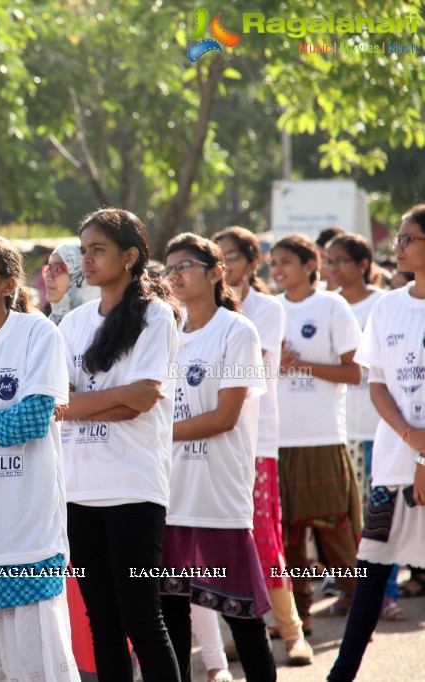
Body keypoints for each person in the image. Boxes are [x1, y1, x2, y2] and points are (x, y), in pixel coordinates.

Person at [58, 208, 181, 681]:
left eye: (99, 249)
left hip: (134, 490)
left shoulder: (156, 315)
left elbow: (142, 399)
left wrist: (82, 402)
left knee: (143, 620)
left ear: (130, 257)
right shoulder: (73, 323)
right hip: (77, 491)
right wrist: (112, 399)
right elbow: (59, 404)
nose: (86, 259)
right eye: (84, 249)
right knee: (101, 623)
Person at [0, 232, 78, 681]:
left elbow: (32, 422)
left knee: (41, 667)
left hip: (26, 535)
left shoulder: (36, 333)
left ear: (8, 283)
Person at [156, 233, 276, 681]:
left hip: (218, 494)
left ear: (215, 273)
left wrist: (155, 434)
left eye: (186, 265)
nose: (176, 275)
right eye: (169, 268)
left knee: (242, 613)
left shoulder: (239, 330)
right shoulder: (164, 332)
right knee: (170, 615)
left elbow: (225, 415)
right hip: (167, 494)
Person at [327, 209, 425, 679]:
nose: (398, 247)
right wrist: (411, 439)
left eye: (408, 238)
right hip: (392, 463)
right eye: (399, 238)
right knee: (371, 565)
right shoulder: (388, 307)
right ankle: (341, 673)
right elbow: (378, 383)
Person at [211, 226, 312, 667]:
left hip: (256, 438)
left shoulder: (265, 309)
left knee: (263, 536)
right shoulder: (195, 311)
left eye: (232, 257)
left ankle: (291, 632)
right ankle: (242, 627)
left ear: (253, 263)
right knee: (220, 539)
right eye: (217, 258)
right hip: (207, 436)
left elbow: (248, 367)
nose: (225, 266)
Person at [270, 233, 362, 633]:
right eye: (273, 263)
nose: (276, 270)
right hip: (278, 441)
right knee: (287, 538)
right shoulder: (269, 311)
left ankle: (361, 605)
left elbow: (354, 372)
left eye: (285, 262)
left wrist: (301, 364)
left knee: (339, 535)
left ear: (310, 266)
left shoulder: (331, 305)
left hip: (323, 437)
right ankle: (298, 617)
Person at [325, 235, 404, 620]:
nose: (333, 268)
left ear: (362, 263)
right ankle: (350, 592)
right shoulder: (326, 305)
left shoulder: (383, 305)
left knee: (380, 518)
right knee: (348, 519)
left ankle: (385, 595)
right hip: (342, 430)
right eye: (329, 261)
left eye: (340, 260)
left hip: (380, 428)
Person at [45, 241, 99, 325]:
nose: (47, 277)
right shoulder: (45, 327)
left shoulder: (97, 328)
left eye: (57, 269)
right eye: (48, 268)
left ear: (81, 275)